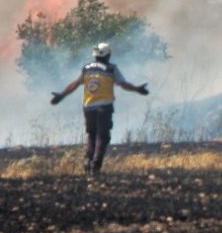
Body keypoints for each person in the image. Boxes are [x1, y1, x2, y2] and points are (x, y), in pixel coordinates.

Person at [50, 42, 149, 175]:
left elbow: (74, 84)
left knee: (91, 135)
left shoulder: (86, 68)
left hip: (88, 107)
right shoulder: (111, 68)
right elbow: (123, 84)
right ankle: (95, 166)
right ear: (107, 55)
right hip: (104, 107)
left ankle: (87, 161)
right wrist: (137, 89)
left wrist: (61, 95)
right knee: (102, 136)